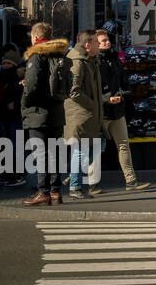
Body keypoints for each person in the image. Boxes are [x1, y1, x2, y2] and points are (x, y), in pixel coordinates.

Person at [20, 23, 69, 206]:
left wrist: (24, 103)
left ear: (34, 37)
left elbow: (31, 86)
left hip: (38, 112)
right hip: (56, 111)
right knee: (54, 152)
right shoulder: (59, 54)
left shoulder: (36, 55)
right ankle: (55, 191)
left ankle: (43, 192)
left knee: (40, 153)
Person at [94, 31, 149, 192]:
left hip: (117, 109)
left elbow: (123, 82)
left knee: (123, 144)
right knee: (95, 148)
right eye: (103, 41)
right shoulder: (93, 62)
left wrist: (124, 95)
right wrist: (106, 98)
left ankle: (131, 180)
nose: (107, 43)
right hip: (101, 111)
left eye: (108, 40)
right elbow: (91, 89)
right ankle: (91, 183)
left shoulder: (115, 59)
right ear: (96, 44)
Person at [63, 30, 104, 200]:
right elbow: (73, 91)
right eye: (96, 42)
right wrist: (92, 104)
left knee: (96, 146)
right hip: (81, 115)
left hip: (87, 115)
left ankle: (73, 179)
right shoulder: (78, 62)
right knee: (80, 152)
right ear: (87, 46)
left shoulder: (90, 61)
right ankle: (74, 186)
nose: (99, 44)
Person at [0, 50, 24, 186]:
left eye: (8, 63)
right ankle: (11, 172)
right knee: (8, 144)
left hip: (12, 116)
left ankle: (17, 173)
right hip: (5, 116)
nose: (5, 65)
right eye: (4, 63)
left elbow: (14, 96)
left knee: (14, 144)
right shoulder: (3, 76)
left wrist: (11, 101)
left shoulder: (13, 77)